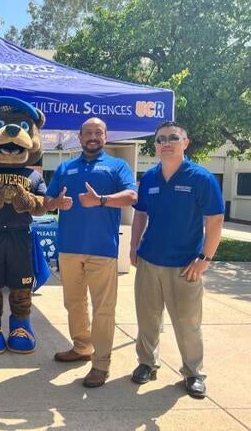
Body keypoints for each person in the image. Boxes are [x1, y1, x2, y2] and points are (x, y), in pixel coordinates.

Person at [130, 121, 224, 399]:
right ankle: (147, 363)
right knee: (147, 318)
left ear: (186, 143)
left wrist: (204, 259)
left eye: (173, 138)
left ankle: (193, 373)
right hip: (149, 261)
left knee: (187, 323)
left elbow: (215, 220)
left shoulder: (201, 178)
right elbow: (140, 214)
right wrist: (134, 245)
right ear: (155, 145)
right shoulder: (149, 178)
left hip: (186, 266)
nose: (166, 143)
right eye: (161, 139)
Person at [44, 117, 138, 387]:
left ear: (106, 137)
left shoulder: (117, 166)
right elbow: (48, 200)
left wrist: (101, 201)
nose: (93, 136)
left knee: (103, 309)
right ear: (80, 136)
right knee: (73, 303)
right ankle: (82, 347)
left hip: (102, 249)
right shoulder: (65, 167)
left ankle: (101, 364)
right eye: (88, 132)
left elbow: (132, 197)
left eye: (98, 132)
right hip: (69, 248)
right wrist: (56, 202)